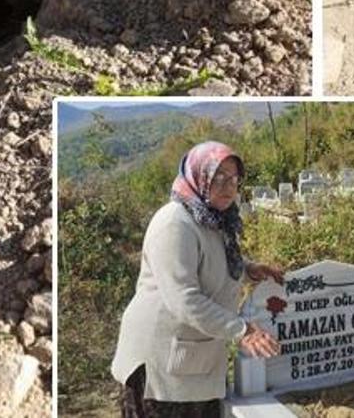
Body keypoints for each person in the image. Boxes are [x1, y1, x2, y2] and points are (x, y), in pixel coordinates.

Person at [111, 141, 285, 418]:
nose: (229, 187)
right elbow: (184, 298)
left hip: (195, 358)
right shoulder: (174, 223)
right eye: (219, 178)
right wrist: (244, 330)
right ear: (198, 176)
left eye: (234, 179)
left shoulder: (215, 218)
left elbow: (210, 261)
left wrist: (247, 269)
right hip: (161, 361)